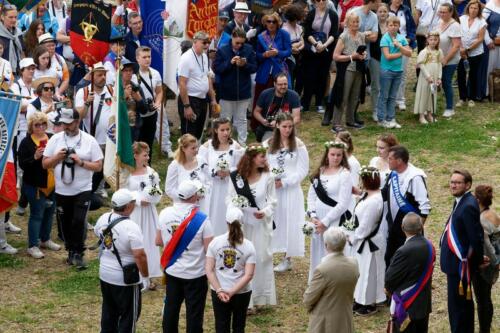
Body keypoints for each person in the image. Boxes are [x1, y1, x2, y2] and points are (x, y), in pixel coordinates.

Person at [42, 108, 103, 269]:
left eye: (69, 124)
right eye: (63, 124)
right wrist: (57, 157)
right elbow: (45, 163)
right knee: (65, 223)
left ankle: (79, 252)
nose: (66, 127)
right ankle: (70, 250)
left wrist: (81, 162)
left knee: (78, 220)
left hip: (83, 188)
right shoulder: (55, 139)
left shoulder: (89, 140)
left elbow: (98, 166)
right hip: (62, 189)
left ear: (77, 122)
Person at [157, 179, 214, 333]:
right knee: (194, 314)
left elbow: (158, 241)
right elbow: (210, 250)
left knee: (171, 309)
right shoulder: (202, 220)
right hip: (195, 274)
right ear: (194, 196)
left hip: (173, 270)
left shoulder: (164, 213)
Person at [226, 143, 277, 309]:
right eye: (262, 156)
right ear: (252, 158)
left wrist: (265, 211)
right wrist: (236, 210)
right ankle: (244, 299)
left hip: (260, 225)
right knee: (242, 259)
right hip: (243, 225)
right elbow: (229, 199)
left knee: (260, 258)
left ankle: (259, 297)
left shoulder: (268, 177)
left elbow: (273, 201)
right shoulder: (236, 177)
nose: (265, 159)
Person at [94, 189, 149, 333]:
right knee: (128, 316)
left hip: (105, 274)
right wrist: (145, 276)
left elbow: (98, 234)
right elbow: (140, 256)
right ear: (128, 206)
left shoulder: (103, 218)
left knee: (109, 312)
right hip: (125, 279)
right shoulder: (131, 227)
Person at [440, 169, 486, 333]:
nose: (453, 185)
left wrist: (478, 261)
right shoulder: (461, 200)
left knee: (459, 307)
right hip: (455, 264)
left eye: (458, 182)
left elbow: (476, 237)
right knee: (459, 305)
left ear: (468, 185)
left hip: (460, 266)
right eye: (452, 182)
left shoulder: (467, 206)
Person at [264, 113, 309, 272]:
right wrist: (270, 180)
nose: (288, 130)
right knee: (273, 220)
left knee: (289, 221)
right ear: (277, 125)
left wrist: (284, 182)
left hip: (290, 189)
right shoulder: (268, 144)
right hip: (272, 190)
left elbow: (303, 170)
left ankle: (287, 257)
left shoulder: (298, 144)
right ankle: (269, 254)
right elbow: (262, 164)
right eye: (284, 126)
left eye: (290, 126)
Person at [205, 207, 256, 333]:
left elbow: (209, 270)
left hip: (219, 291)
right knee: (239, 326)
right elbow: (249, 275)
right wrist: (232, 292)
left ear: (226, 222)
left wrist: (219, 290)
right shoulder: (248, 245)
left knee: (221, 325)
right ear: (242, 223)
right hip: (242, 292)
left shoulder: (215, 242)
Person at [306, 141, 353, 280]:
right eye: (333, 154)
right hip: (318, 220)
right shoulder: (319, 171)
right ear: (327, 154)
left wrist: (325, 222)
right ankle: (318, 280)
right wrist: (313, 216)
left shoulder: (344, 174)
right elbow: (311, 196)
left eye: (339, 155)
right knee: (318, 249)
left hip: (335, 220)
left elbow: (343, 203)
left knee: (333, 250)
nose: (336, 158)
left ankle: (333, 281)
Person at [18, 112, 61, 259]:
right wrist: (35, 157)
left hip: (53, 182)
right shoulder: (26, 142)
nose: (41, 127)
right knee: (37, 214)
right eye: (37, 125)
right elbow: (22, 165)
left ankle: (45, 239)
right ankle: (33, 245)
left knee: (50, 212)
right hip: (35, 184)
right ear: (31, 126)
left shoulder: (52, 137)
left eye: (43, 124)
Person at [385, 213, 435, 333]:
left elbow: (390, 278)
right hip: (423, 303)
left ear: (402, 228)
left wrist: (388, 289)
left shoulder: (403, 251)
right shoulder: (429, 246)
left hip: (407, 304)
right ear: (421, 227)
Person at [382, 145, 431, 267]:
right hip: (393, 226)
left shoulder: (415, 178)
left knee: (409, 263)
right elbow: (384, 194)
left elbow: (424, 207)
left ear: (399, 161)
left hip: (409, 230)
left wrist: (415, 232)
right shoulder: (392, 174)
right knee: (391, 260)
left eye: (390, 158)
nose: (387, 160)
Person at [303, 227, 359, 333]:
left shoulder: (322, 269)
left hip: (324, 322)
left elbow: (308, 299)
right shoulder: (354, 264)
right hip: (346, 318)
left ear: (326, 245)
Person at [125, 142, 163, 290]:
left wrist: (153, 198)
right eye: (144, 155)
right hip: (133, 211)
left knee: (148, 240)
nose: (147, 157)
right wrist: (139, 200)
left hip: (148, 213)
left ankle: (149, 275)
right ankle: (136, 274)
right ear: (135, 156)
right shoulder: (127, 172)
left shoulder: (151, 172)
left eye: (148, 154)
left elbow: (157, 190)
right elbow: (125, 192)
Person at [198, 118, 243, 236]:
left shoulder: (236, 146)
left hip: (228, 186)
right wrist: (214, 172)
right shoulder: (207, 146)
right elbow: (201, 166)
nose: (225, 133)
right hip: (212, 186)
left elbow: (241, 167)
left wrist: (230, 172)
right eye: (222, 130)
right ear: (215, 130)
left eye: (227, 129)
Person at [213, 27, 258, 145]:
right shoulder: (223, 50)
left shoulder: (248, 49)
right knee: (225, 120)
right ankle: (224, 143)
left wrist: (245, 64)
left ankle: (242, 143)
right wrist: (229, 63)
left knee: (242, 119)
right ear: (232, 37)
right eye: (237, 42)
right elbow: (217, 69)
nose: (239, 45)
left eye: (242, 43)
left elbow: (254, 68)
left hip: (243, 91)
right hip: (226, 92)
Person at [351, 167, 385, 316]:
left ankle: (369, 303)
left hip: (369, 241)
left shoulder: (374, 201)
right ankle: (359, 299)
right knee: (361, 270)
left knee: (370, 271)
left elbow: (366, 227)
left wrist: (351, 236)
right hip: (362, 240)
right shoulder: (368, 195)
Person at [327, 13, 366, 132]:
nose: (355, 24)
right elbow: (335, 56)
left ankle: (350, 120)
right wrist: (351, 57)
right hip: (347, 69)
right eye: (353, 22)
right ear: (348, 23)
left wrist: (363, 55)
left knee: (354, 96)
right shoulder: (344, 36)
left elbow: (362, 51)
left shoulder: (361, 36)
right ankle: (336, 123)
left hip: (359, 69)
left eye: (357, 22)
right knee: (342, 96)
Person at [178, 31, 217, 140]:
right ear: (195, 42)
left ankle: (194, 156)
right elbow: (181, 83)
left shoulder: (204, 56)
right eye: (204, 42)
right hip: (190, 99)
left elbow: (207, 78)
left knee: (198, 133)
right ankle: (185, 156)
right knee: (188, 136)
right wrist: (187, 106)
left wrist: (213, 99)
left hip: (202, 99)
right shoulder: (186, 58)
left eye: (208, 42)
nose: (207, 45)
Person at [301, 0, 338, 113]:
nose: (321, 1)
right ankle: (305, 103)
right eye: (319, 0)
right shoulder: (311, 13)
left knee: (322, 76)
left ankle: (319, 102)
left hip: (326, 50)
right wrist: (316, 44)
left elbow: (334, 33)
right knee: (309, 76)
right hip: (312, 50)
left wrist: (324, 45)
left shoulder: (332, 14)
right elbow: (307, 33)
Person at [132, 46, 168, 158]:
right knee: (136, 143)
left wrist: (157, 103)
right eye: (144, 57)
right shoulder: (132, 75)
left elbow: (159, 91)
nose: (147, 59)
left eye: (149, 56)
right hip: (137, 114)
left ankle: (148, 164)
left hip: (151, 114)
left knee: (149, 142)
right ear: (137, 58)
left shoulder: (155, 73)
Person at [376, 16, 412, 129]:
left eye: (395, 25)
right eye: (390, 25)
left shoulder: (401, 38)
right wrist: (402, 53)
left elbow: (410, 53)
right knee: (384, 95)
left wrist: (400, 46)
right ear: (387, 26)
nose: (393, 27)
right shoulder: (385, 39)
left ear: (398, 26)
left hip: (398, 70)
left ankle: (391, 118)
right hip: (387, 71)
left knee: (393, 96)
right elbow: (388, 56)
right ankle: (381, 119)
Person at [473, 185, 499, 333]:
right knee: (486, 298)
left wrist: (495, 262)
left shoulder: (481, 219)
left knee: (482, 300)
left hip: (485, 263)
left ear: (477, 199)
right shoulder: (493, 214)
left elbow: (488, 246)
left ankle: (484, 329)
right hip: (493, 261)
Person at [253, 12, 292, 108]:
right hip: (264, 72)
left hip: (279, 70)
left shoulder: (284, 34)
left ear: (277, 23)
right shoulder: (261, 36)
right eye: (268, 21)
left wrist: (278, 52)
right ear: (265, 23)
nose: (271, 24)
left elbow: (289, 51)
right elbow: (257, 55)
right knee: (261, 98)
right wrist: (264, 55)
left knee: (279, 99)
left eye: (273, 22)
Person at [165, 134, 211, 214]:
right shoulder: (175, 165)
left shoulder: (201, 160)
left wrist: (201, 193)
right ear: (183, 149)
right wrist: (184, 198)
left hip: (202, 204)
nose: (196, 150)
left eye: (197, 147)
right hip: (183, 207)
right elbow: (169, 189)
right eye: (193, 148)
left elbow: (209, 181)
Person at [252, 73, 301, 142]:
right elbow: (256, 112)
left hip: (287, 128)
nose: (283, 86)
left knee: (292, 146)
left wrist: (281, 124)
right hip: (268, 129)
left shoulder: (294, 96)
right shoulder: (265, 94)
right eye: (280, 84)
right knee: (269, 148)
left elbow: (297, 118)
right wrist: (263, 121)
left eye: (285, 84)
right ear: (274, 84)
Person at [456, 0, 487, 107]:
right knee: (461, 74)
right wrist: (461, 49)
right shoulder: (461, 19)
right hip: (461, 52)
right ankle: (462, 98)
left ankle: (471, 98)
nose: (473, 10)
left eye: (476, 8)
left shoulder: (481, 21)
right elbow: (457, 35)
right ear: (468, 8)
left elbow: (480, 39)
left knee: (473, 75)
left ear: (479, 10)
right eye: (471, 8)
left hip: (475, 53)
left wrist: (467, 50)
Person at [389, 0, 417, 111]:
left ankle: (400, 100)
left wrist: (409, 40)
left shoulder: (406, 10)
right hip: (389, 46)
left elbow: (412, 28)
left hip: (404, 45)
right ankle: (391, 99)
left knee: (402, 73)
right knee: (390, 72)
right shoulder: (386, 10)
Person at [437, 3, 461, 118]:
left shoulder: (455, 25)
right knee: (438, 81)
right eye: (440, 12)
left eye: (444, 12)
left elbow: (456, 46)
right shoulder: (439, 22)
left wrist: (446, 59)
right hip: (438, 58)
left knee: (446, 82)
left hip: (450, 59)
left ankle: (450, 108)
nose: (441, 14)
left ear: (450, 12)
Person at [413, 31, 443, 123]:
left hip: (434, 76)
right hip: (426, 77)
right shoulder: (424, 52)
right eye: (431, 39)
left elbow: (439, 64)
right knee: (424, 94)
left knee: (432, 94)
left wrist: (439, 77)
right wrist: (428, 76)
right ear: (427, 40)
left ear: (438, 41)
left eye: (435, 40)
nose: (433, 41)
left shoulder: (439, 51)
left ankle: (430, 114)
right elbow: (421, 65)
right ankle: (421, 115)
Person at [369, 3, 389, 121]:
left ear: (388, 13)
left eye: (384, 11)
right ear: (376, 13)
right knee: (376, 85)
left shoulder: (391, 25)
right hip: (375, 58)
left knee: (386, 85)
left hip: (388, 59)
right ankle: (375, 110)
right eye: (380, 11)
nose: (382, 14)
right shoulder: (373, 25)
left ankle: (383, 108)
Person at [38, 32, 69, 99]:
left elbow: (66, 79)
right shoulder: (35, 61)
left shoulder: (60, 59)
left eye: (53, 45)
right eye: (48, 46)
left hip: (57, 95)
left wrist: (58, 93)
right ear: (41, 47)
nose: (52, 48)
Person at [281, 4, 305, 89]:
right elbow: (286, 47)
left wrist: (298, 47)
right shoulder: (284, 29)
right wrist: (294, 46)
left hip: (299, 57)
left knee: (299, 79)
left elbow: (302, 42)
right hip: (288, 59)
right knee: (289, 80)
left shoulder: (299, 27)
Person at [483, 0, 500, 98]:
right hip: (492, 43)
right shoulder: (491, 5)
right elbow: (482, 23)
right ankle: (487, 92)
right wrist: (488, 40)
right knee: (490, 67)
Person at [0, 4, 23, 73]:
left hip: (18, 71)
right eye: (10, 17)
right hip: (3, 73)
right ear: (2, 17)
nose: (14, 20)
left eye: (15, 17)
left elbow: (22, 52)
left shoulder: (18, 33)